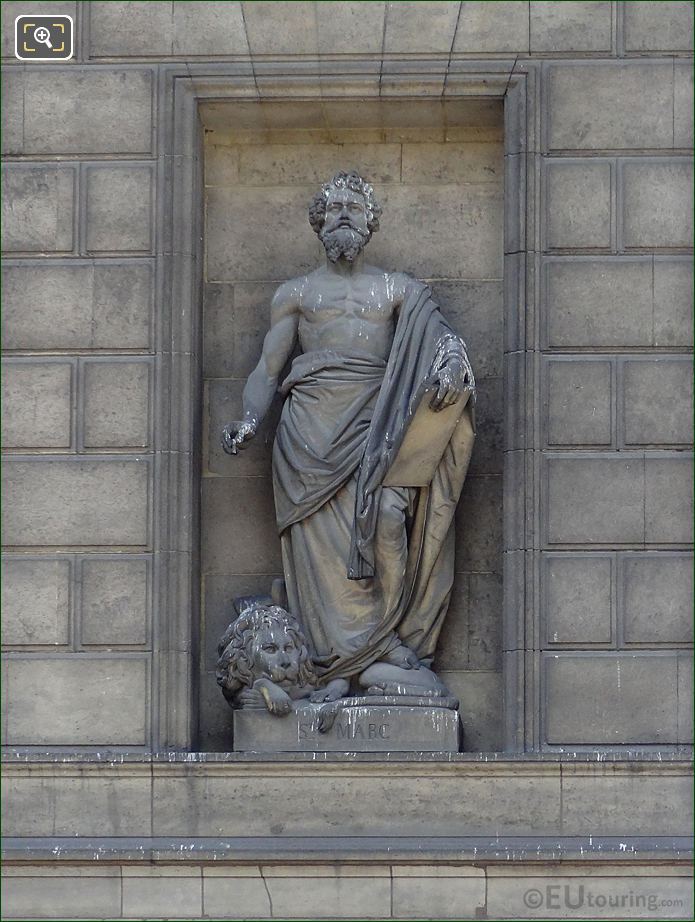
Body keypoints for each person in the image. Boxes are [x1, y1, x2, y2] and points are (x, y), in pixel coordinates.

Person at [222, 171, 475, 701]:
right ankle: (335, 659)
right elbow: (267, 370)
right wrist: (249, 419)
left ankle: (383, 641)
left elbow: (437, 337)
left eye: (354, 208)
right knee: (320, 552)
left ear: (370, 223)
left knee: (386, 519)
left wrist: (453, 356)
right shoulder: (295, 294)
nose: (343, 215)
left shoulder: (398, 289)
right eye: (334, 207)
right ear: (318, 222)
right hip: (307, 437)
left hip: (376, 427)